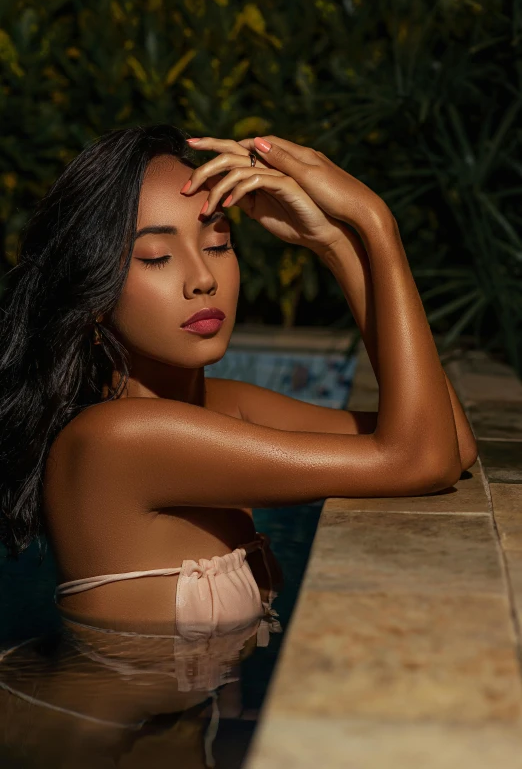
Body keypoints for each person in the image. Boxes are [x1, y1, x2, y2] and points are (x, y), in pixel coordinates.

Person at [0, 124, 477, 635]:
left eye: (218, 244)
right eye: (156, 257)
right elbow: (422, 460)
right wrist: (377, 224)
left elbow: (448, 442)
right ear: (93, 297)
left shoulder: (225, 408)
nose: (202, 278)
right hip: (105, 707)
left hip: (201, 710)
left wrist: (336, 245)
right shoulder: (115, 440)